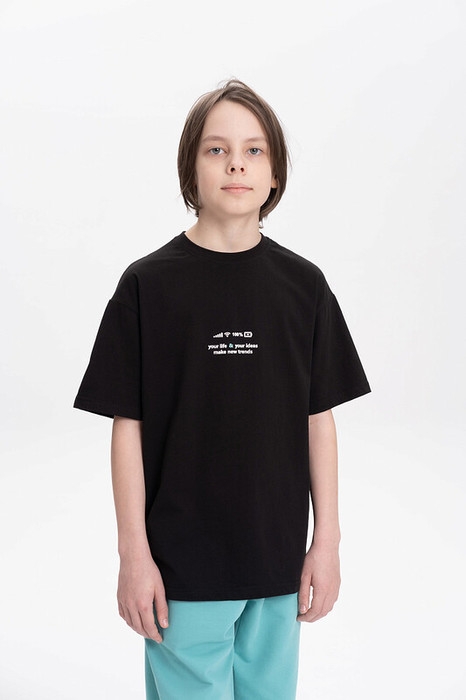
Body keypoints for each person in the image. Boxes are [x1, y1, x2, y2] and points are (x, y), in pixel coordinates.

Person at [73, 77, 371, 699]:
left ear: (275, 173)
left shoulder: (305, 288)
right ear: (191, 168)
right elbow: (127, 427)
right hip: (181, 569)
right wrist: (134, 555)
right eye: (217, 149)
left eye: (254, 150)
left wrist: (327, 543)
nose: (237, 163)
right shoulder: (146, 287)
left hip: (277, 564)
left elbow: (318, 421)